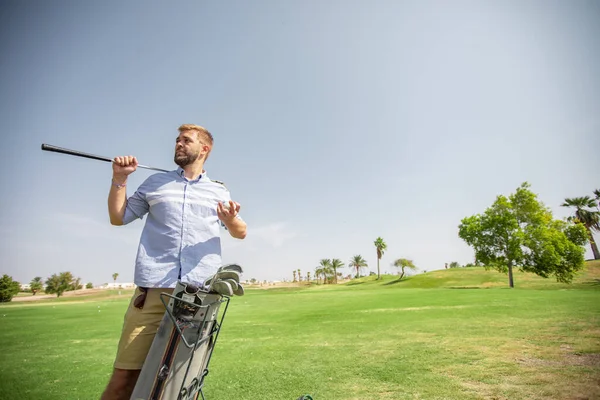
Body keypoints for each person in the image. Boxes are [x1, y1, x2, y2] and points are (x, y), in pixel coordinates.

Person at [100, 124, 247, 400]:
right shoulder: (155, 183)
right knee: (124, 379)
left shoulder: (218, 190)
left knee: (182, 384)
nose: (178, 144)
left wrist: (230, 220)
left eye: (186, 140)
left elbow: (241, 231)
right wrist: (119, 179)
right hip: (152, 296)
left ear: (204, 149)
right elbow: (118, 217)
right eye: (177, 140)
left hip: (198, 299)